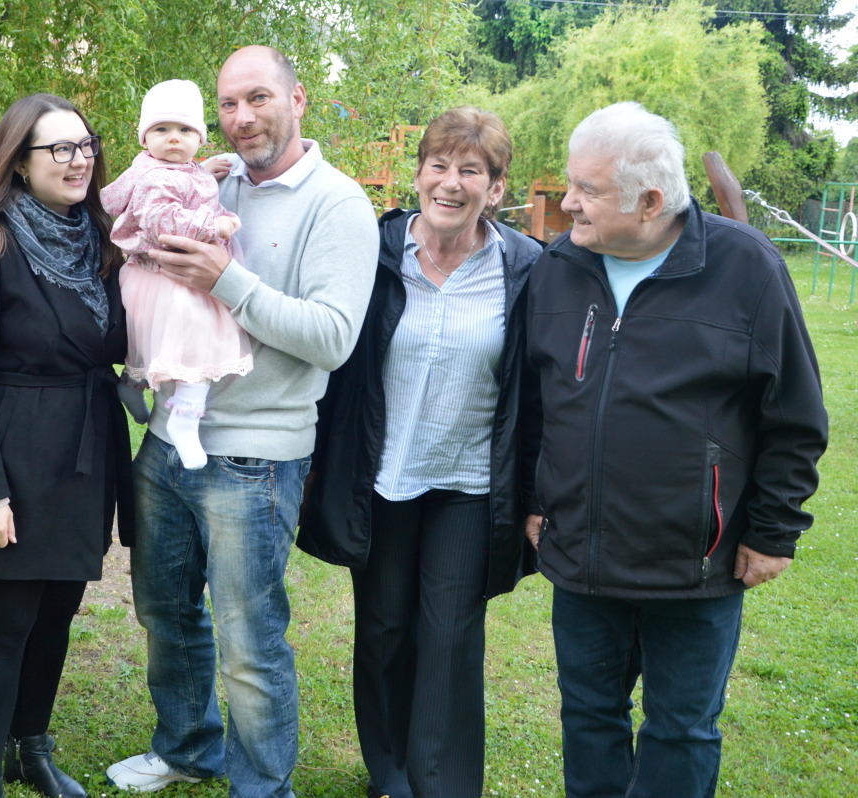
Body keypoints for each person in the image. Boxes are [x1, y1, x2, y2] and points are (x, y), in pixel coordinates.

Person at [524, 102, 828, 798]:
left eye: (587, 189)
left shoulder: (747, 268)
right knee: (588, 718)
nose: (567, 202)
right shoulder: (558, 268)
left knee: (682, 731)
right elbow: (534, 403)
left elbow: (796, 415)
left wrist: (773, 532)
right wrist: (535, 499)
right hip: (583, 559)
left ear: (651, 201)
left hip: (696, 563)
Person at [106, 45, 379, 797]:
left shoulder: (338, 204)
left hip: (256, 458)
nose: (242, 117)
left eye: (258, 98)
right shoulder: (211, 180)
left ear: (298, 99)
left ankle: (261, 786)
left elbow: (333, 338)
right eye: (228, 104)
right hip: (167, 440)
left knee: (249, 643)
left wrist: (230, 281)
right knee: (164, 614)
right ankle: (188, 748)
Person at [297, 107, 541, 798]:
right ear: (419, 173)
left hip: (469, 482)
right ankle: (391, 774)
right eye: (440, 165)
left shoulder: (525, 269)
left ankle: (444, 785)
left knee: (450, 638)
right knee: (383, 630)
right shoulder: (376, 254)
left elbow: (541, 393)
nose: (451, 182)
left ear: (496, 188)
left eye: (471, 170)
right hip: (381, 477)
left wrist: (538, 495)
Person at [0, 93, 133, 798]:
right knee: (3, 625)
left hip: (82, 456)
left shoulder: (101, 237)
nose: (79, 161)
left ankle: (32, 748)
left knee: (55, 615)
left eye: (86, 145)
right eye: (60, 149)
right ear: (19, 162)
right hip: (11, 461)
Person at [101, 78, 252, 469]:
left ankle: (131, 385)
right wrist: (213, 226)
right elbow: (162, 220)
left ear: (200, 138)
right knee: (198, 340)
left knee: (156, 344)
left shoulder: (171, 170)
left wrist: (202, 173)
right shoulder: (156, 179)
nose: (173, 138)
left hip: (154, 278)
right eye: (162, 129)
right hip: (171, 281)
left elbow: (183, 189)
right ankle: (185, 418)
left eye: (185, 130)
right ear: (144, 139)